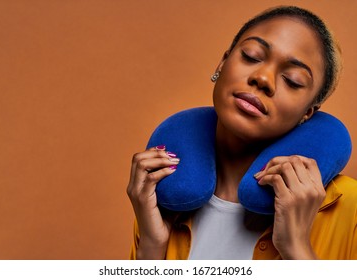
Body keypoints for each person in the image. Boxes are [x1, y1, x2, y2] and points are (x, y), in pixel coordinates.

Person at [126, 5, 357, 260]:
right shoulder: (166, 192)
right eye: (251, 56)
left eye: (292, 80)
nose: (263, 78)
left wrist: (296, 247)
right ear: (222, 63)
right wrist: (151, 243)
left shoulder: (349, 207)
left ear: (307, 113)